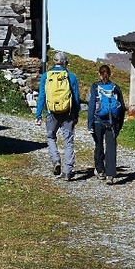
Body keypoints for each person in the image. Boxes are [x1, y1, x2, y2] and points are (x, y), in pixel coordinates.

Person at [34, 51, 81, 181]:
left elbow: (42, 97)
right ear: (65, 62)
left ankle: (56, 160)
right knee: (68, 141)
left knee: (50, 137)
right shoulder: (71, 76)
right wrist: (76, 114)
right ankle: (67, 171)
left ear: (54, 62)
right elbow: (76, 98)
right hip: (68, 113)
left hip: (51, 112)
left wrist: (38, 115)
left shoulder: (46, 76)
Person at [87, 64, 125, 185]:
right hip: (112, 122)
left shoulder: (95, 86)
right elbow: (122, 107)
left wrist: (89, 124)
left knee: (98, 145)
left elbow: (92, 106)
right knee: (111, 147)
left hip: (98, 120)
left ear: (99, 74)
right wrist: (119, 124)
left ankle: (100, 171)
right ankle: (110, 175)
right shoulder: (115, 87)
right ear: (110, 74)